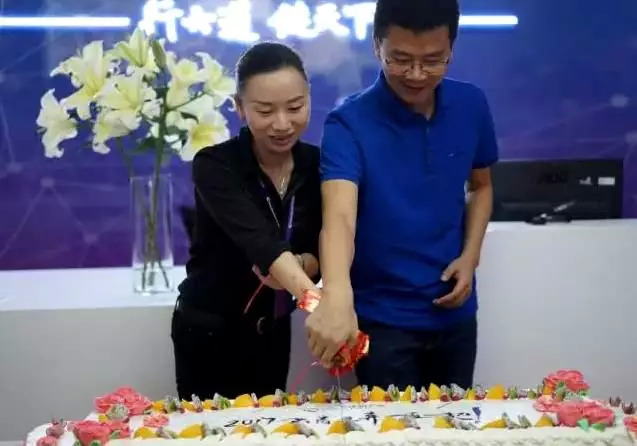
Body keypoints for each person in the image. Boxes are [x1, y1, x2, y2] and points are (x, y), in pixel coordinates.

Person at [306, 0, 498, 389]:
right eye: (400, 59)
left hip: (456, 315)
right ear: (377, 45)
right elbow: (339, 217)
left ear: (451, 48)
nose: (416, 74)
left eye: (433, 60)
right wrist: (337, 294)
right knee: (390, 423)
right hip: (383, 322)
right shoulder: (348, 123)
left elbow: (481, 186)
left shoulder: (471, 105)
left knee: (457, 420)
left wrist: (470, 257)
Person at [172, 42, 321, 400]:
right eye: (265, 110)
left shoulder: (318, 166)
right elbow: (261, 243)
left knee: (272, 425)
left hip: (272, 330)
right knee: (209, 429)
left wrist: (300, 265)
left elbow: (320, 248)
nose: (282, 124)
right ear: (239, 107)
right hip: (209, 331)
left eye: (295, 107)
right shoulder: (214, 165)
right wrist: (318, 304)